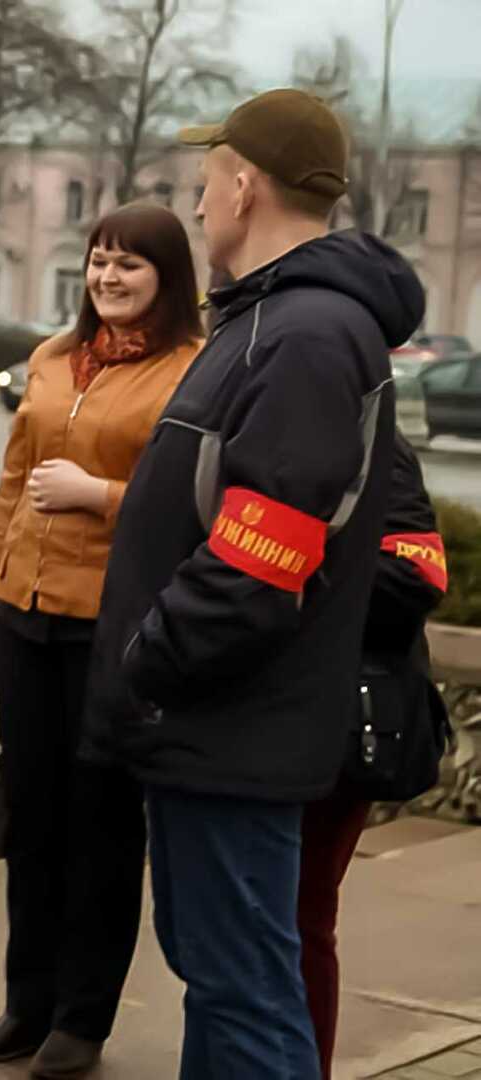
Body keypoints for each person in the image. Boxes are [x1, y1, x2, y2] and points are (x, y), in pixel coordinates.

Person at [82, 89, 425, 1079]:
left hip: (229, 726)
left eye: (204, 183)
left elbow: (259, 554)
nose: (195, 208)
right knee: (222, 981)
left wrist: (150, 660)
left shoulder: (305, 336)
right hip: (206, 726)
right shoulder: (266, 322)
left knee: (245, 996)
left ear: (243, 184)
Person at [0, 201, 204, 1077]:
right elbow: (14, 487)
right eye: (98, 261)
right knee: (30, 822)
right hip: (26, 619)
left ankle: (80, 1017)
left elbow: (195, 509)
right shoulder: (52, 359)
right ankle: (25, 1005)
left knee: (99, 825)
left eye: (127, 265)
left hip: (113, 626)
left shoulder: (190, 372)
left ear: (166, 278)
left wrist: (99, 494)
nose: (106, 278)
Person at [300, 433, 447, 1079]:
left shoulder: (373, 447)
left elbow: (414, 577)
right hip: (241, 719)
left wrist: (281, 554)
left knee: (297, 920)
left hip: (328, 729)